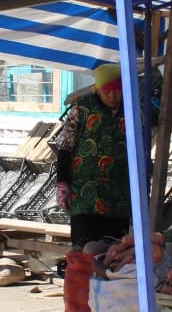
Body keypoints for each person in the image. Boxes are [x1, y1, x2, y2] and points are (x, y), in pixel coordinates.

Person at [53, 62, 131, 247]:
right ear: (97, 90)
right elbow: (65, 147)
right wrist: (62, 181)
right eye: (107, 92)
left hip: (117, 195)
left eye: (117, 92)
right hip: (84, 194)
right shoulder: (81, 109)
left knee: (114, 251)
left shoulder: (132, 110)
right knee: (84, 249)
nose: (112, 97)